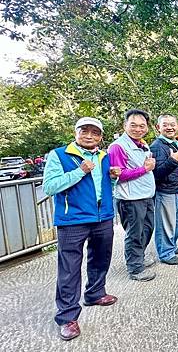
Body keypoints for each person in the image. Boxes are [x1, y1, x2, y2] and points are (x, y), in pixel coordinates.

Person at [43, 117, 119, 341]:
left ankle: (95, 293)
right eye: (84, 131)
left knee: (101, 258)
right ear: (75, 133)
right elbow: (49, 187)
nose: (89, 136)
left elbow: (104, 186)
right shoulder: (59, 155)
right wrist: (80, 171)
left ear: (100, 137)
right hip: (72, 219)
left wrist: (113, 178)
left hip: (102, 216)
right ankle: (67, 317)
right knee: (69, 269)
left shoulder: (104, 156)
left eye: (95, 133)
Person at [108, 109, 157, 282]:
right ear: (125, 125)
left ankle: (140, 257)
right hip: (130, 198)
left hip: (145, 195)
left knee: (147, 228)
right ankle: (135, 268)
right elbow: (118, 174)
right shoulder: (118, 147)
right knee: (134, 233)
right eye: (133, 125)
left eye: (142, 125)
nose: (138, 129)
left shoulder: (142, 143)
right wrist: (145, 169)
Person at [150, 114, 178, 265]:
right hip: (165, 191)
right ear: (158, 128)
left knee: (176, 223)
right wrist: (172, 160)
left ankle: (172, 246)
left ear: (177, 126)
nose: (170, 127)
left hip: (177, 189)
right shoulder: (157, 146)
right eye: (165, 125)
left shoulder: (176, 143)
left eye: (172, 124)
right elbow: (156, 174)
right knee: (166, 224)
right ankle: (165, 253)